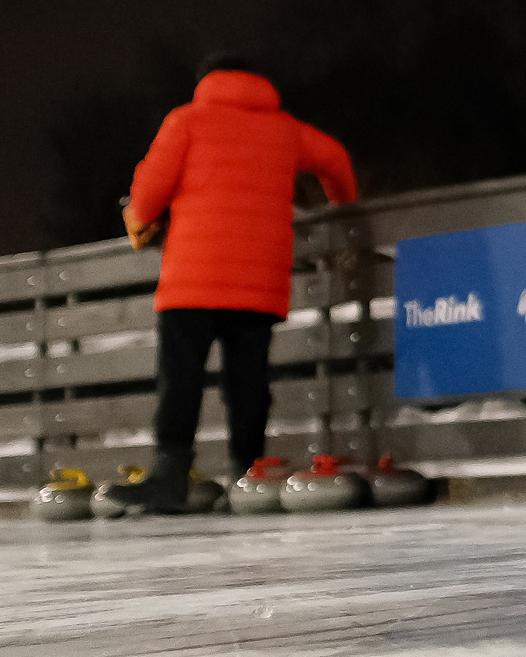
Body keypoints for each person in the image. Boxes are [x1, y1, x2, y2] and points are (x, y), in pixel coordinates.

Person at [106, 56, 358, 514]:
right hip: (258, 282)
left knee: (181, 378)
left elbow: (147, 198)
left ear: (206, 81)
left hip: (193, 278)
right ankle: (247, 479)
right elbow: (336, 159)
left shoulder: (186, 121)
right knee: (248, 382)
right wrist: (344, 212)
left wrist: (140, 213)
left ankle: (170, 477)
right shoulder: (286, 130)